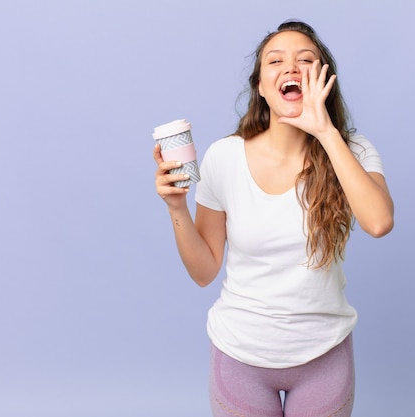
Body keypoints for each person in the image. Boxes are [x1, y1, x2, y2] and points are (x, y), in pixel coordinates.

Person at [154, 20, 394, 417]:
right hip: (239, 357)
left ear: (323, 80)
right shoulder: (224, 157)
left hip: (324, 357)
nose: (291, 67)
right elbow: (203, 271)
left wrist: (326, 131)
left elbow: (379, 222)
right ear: (262, 86)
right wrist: (176, 208)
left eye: (306, 60)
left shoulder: (352, 151)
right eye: (275, 60)